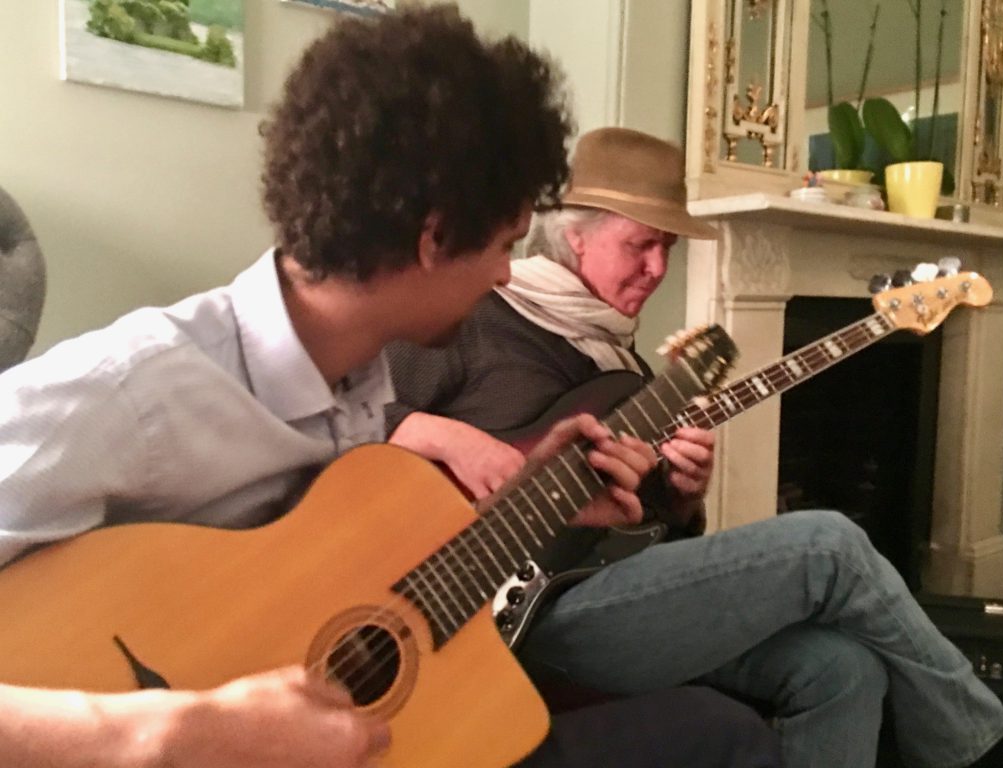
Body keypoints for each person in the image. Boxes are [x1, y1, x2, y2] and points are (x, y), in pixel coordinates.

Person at [0, 8, 780, 768]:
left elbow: (333, 587)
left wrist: (534, 497)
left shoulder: (362, 382)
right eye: (505, 245)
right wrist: (163, 737)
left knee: (723, 727)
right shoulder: (133, 387)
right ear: (434, 237)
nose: (509, 273)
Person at [384, 126, 1003, 768]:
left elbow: (648, 533)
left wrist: (685, 497)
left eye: (667, 249)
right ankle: (985, 745)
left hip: (595, 584)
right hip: (503, 611)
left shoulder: (622, 369)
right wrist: (450, 438)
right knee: (830, 545)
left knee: (842, 669)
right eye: (641, 245)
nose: (658, 268)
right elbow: (353, 421)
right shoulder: (477, 322)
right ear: (576, 236)